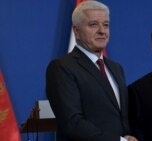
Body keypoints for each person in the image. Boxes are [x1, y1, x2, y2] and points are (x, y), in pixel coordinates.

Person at [46, 1, 137, 141]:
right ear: (76, 31)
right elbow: (73, 123)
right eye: (93, 24)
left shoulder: (116, 68)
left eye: (106, 25)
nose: (102, 31)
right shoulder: (62, 67)